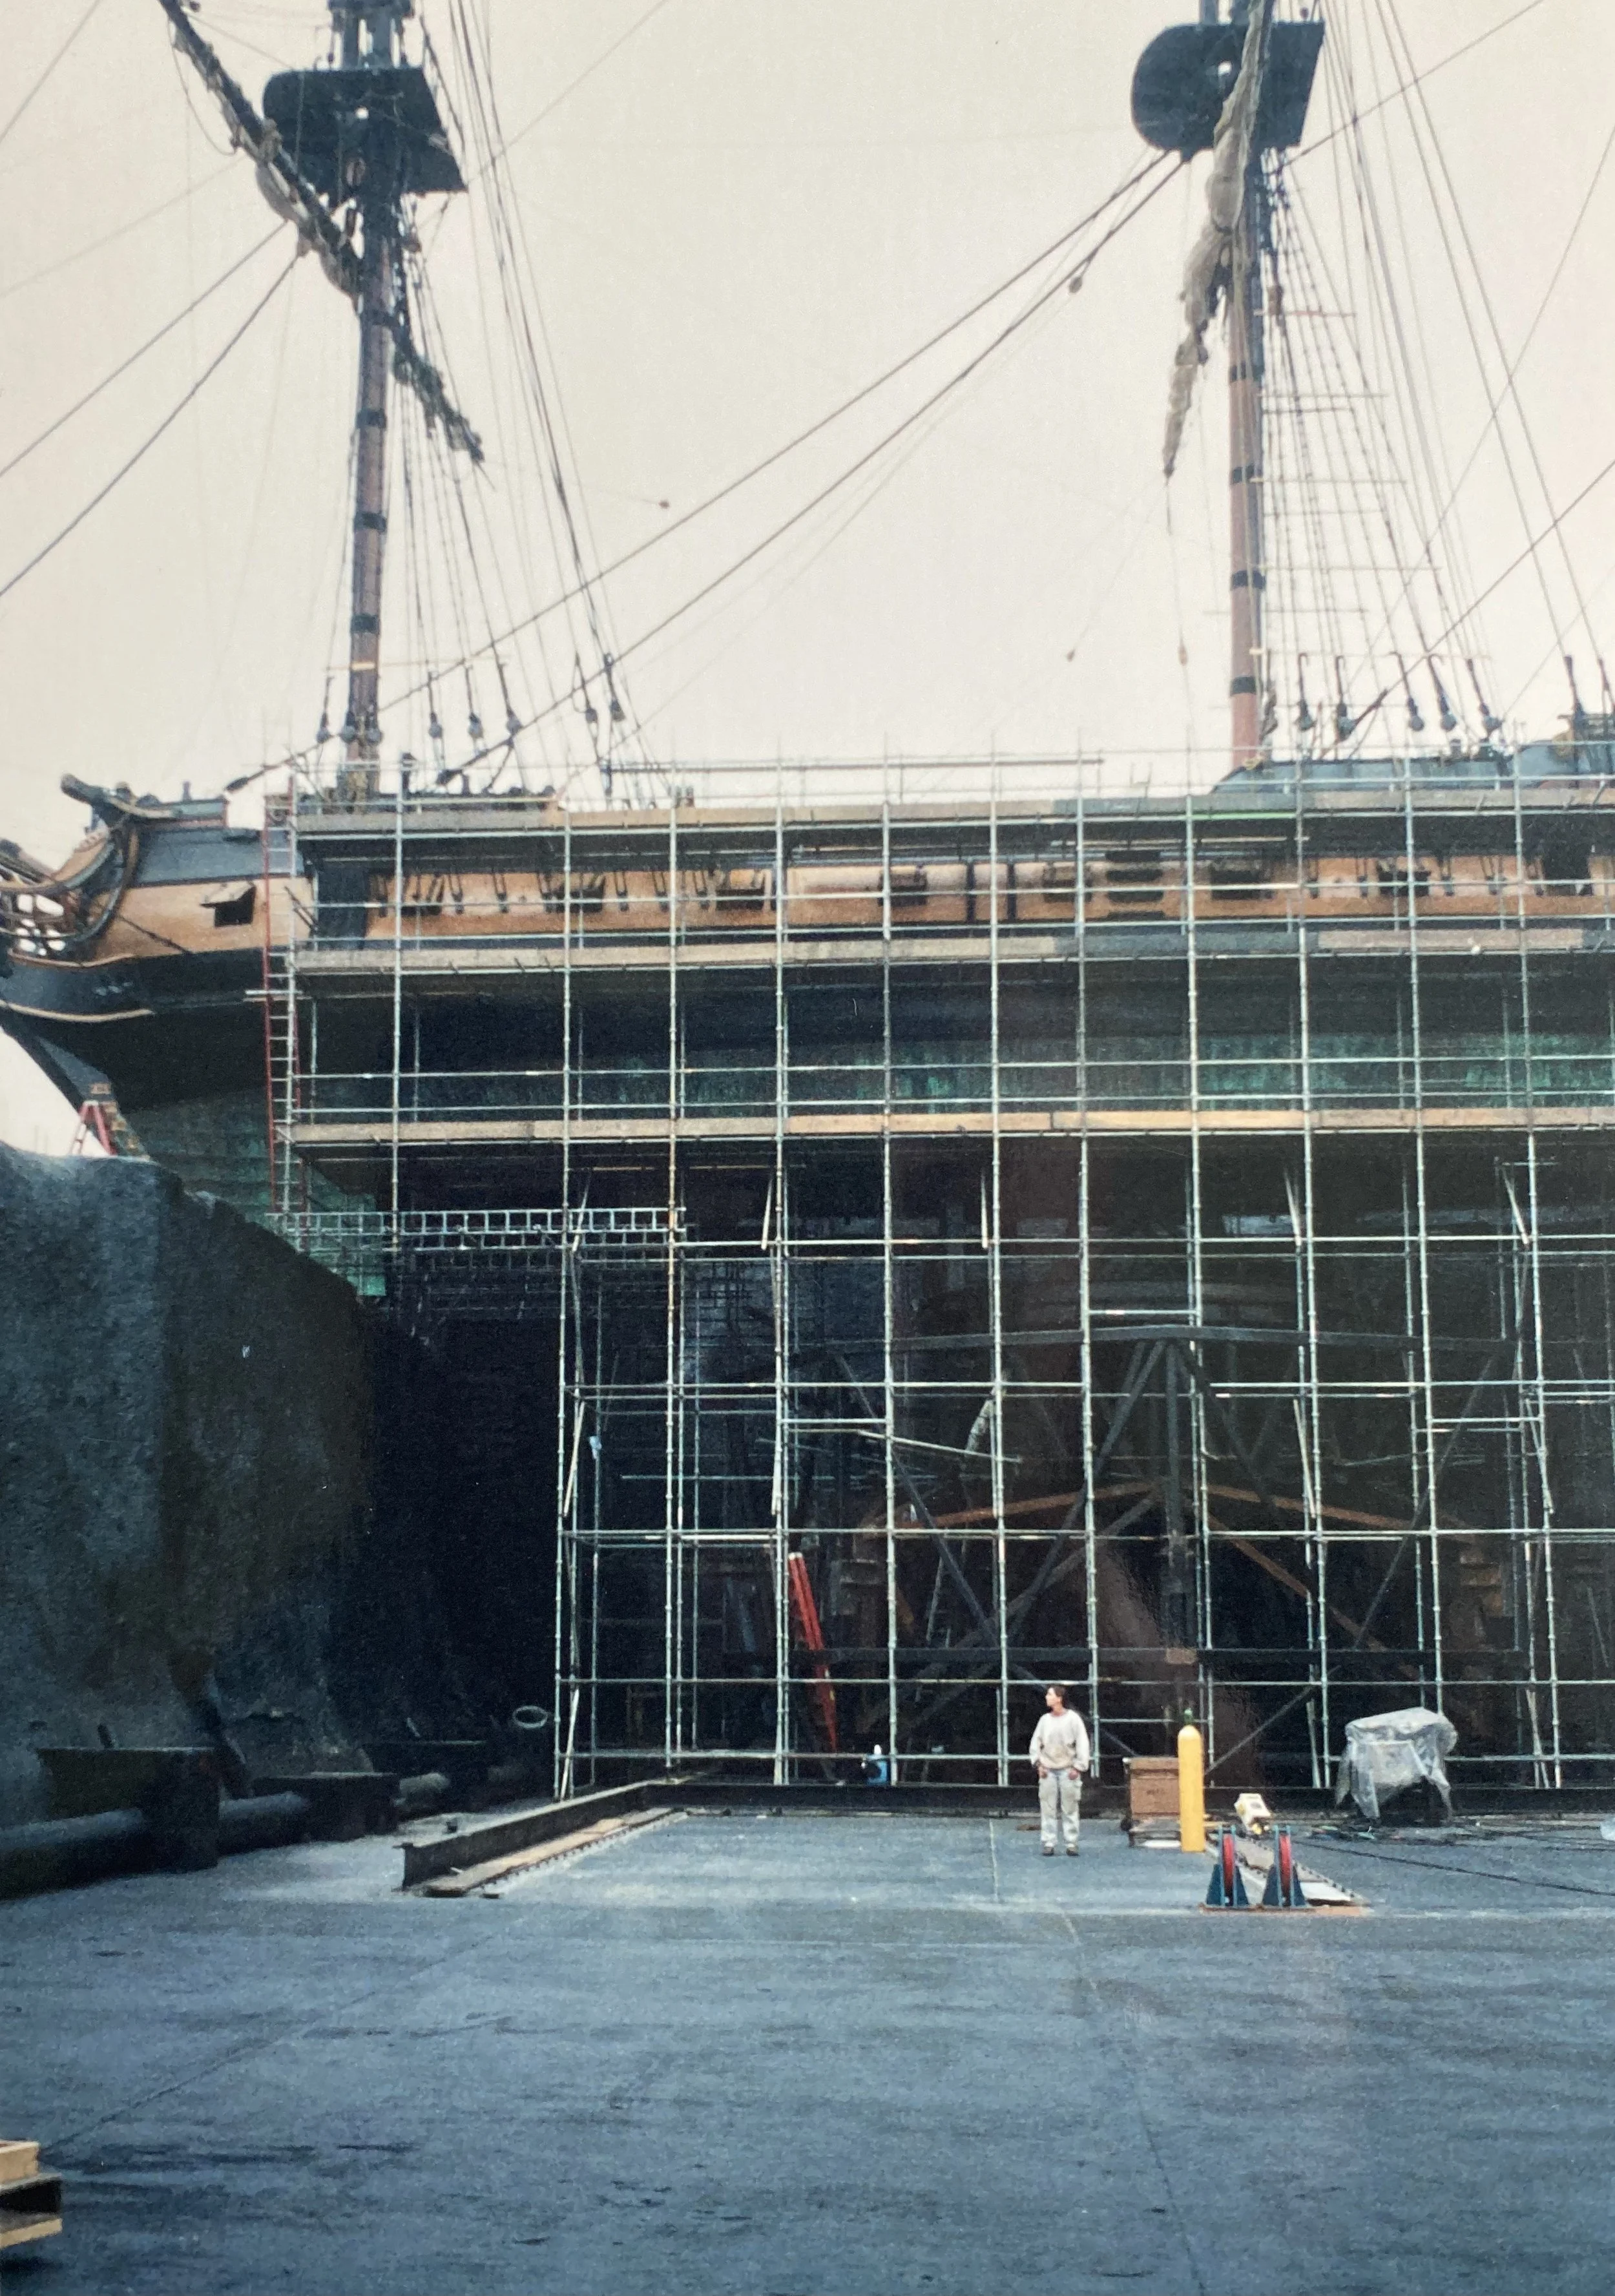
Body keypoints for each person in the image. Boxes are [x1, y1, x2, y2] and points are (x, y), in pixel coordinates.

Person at [1029, 1683, 1090, 1855]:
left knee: (1069, 1807)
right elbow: (1035, 1744)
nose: (1047, 1697)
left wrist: (1078, 1767)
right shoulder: (1045, 1720)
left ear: (1059, 1698)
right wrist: (1038, 1765)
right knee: (1048, 1807)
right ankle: (1049, 1842)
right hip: (1048, 1769)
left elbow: (1082, 1744)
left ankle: (1071, 1843)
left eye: (1050, 1694)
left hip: (1067, 1769)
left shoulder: (1073, 1719)